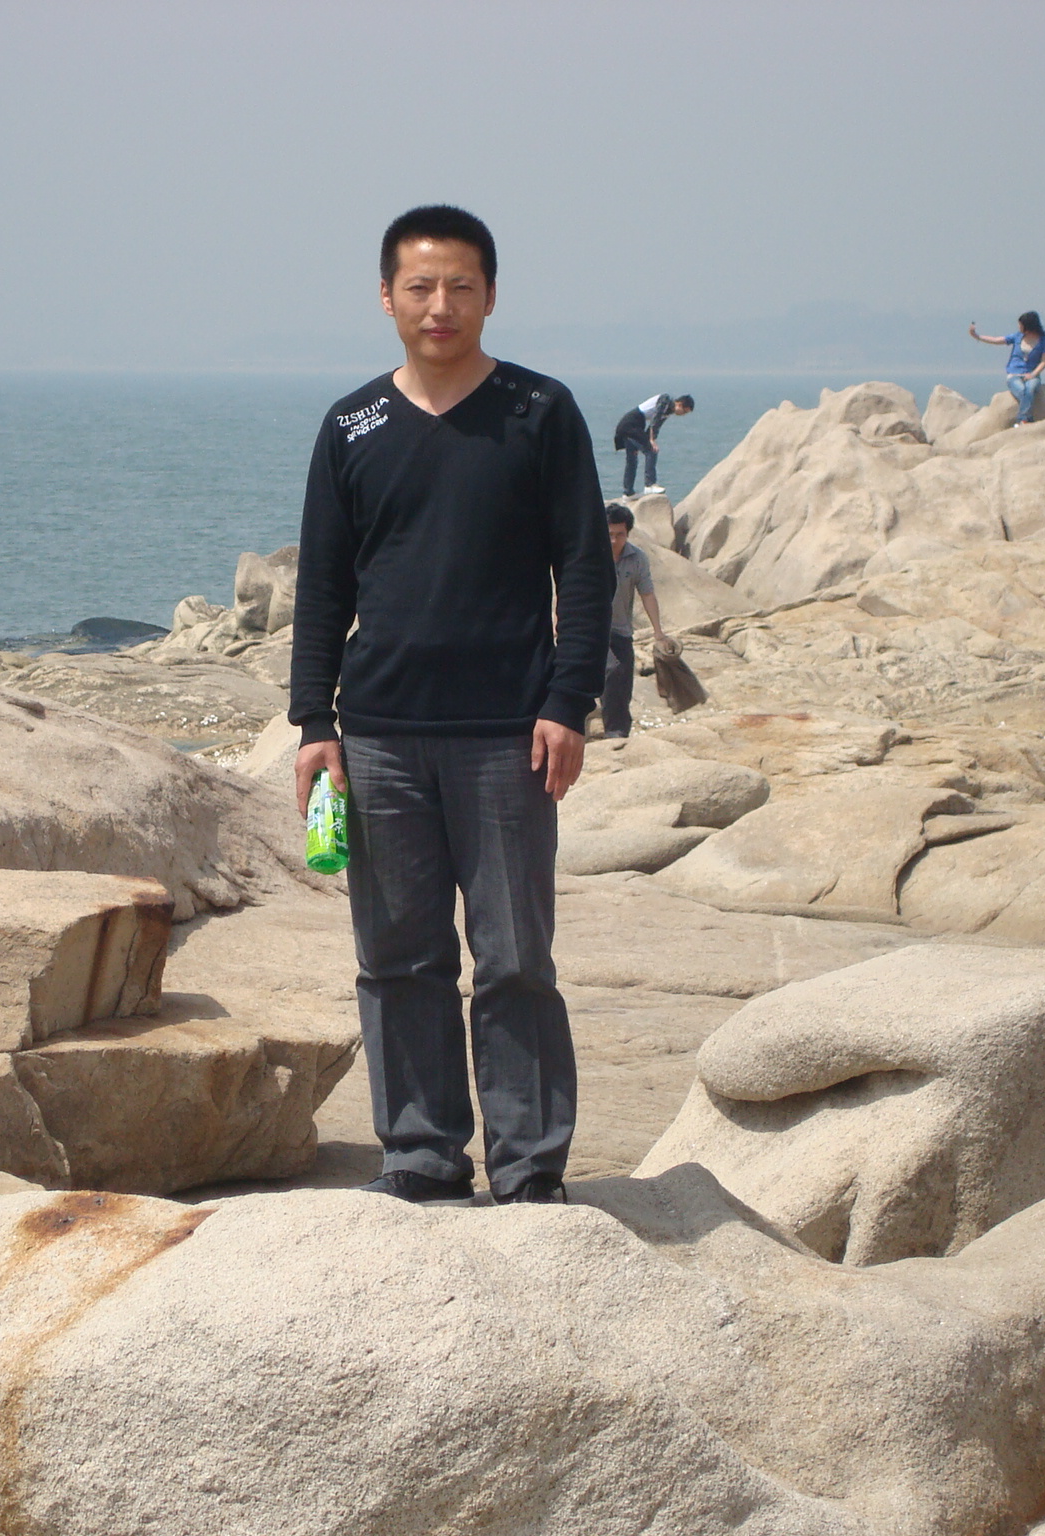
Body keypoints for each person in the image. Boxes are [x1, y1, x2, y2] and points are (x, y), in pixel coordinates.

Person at [288, 204, 613, 1207]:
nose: (441, 306)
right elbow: (322, 586)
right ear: (386, 297)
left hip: (508, 737)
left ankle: (528, 1167)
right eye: (420, 287)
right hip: (380, 738)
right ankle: (421, 1157)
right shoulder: (352, 425)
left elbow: (584, 567)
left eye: (460, 286)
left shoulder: (539, 411)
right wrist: (313, 724)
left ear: (491, 296)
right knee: (398, 959)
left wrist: (568, 702)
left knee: (515, 960)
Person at [601, 503, 679, 738]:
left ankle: (618, 733)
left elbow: (647, 594)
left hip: (621, 629)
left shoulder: (637, 558)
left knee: (623, 679)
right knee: (610, 671)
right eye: (609, 534)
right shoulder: (591, 555)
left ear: (628, 533)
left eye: (620, 534)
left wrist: (658, 632)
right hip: (592, 628)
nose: (614, 540)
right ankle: (608, 729)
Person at [968, 312, 1045, 423]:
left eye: (1021, 325)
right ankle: (1025, 419)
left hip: (1032, 375)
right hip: (1014, 374)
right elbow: (996, 340)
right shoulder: (1017, 337)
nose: (1019, 327)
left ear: (1028, 326)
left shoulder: (1044, 341)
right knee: (1022, 391)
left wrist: (1033, 374)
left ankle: (1022, 420)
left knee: (1030, 389)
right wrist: (977, 336)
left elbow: (1043, 362)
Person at [613, 392, 693, 497]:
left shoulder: (668, 410)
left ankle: (628, 493)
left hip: (632, 425)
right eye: (684, 411)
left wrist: (650, 439)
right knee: (652, 450)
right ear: (679, 404)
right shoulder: (665, 400)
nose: (683, 415)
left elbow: (656, 426)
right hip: (631, 424)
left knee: (632, 460)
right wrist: (650, 441)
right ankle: (649, 485)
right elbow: (655, 420)